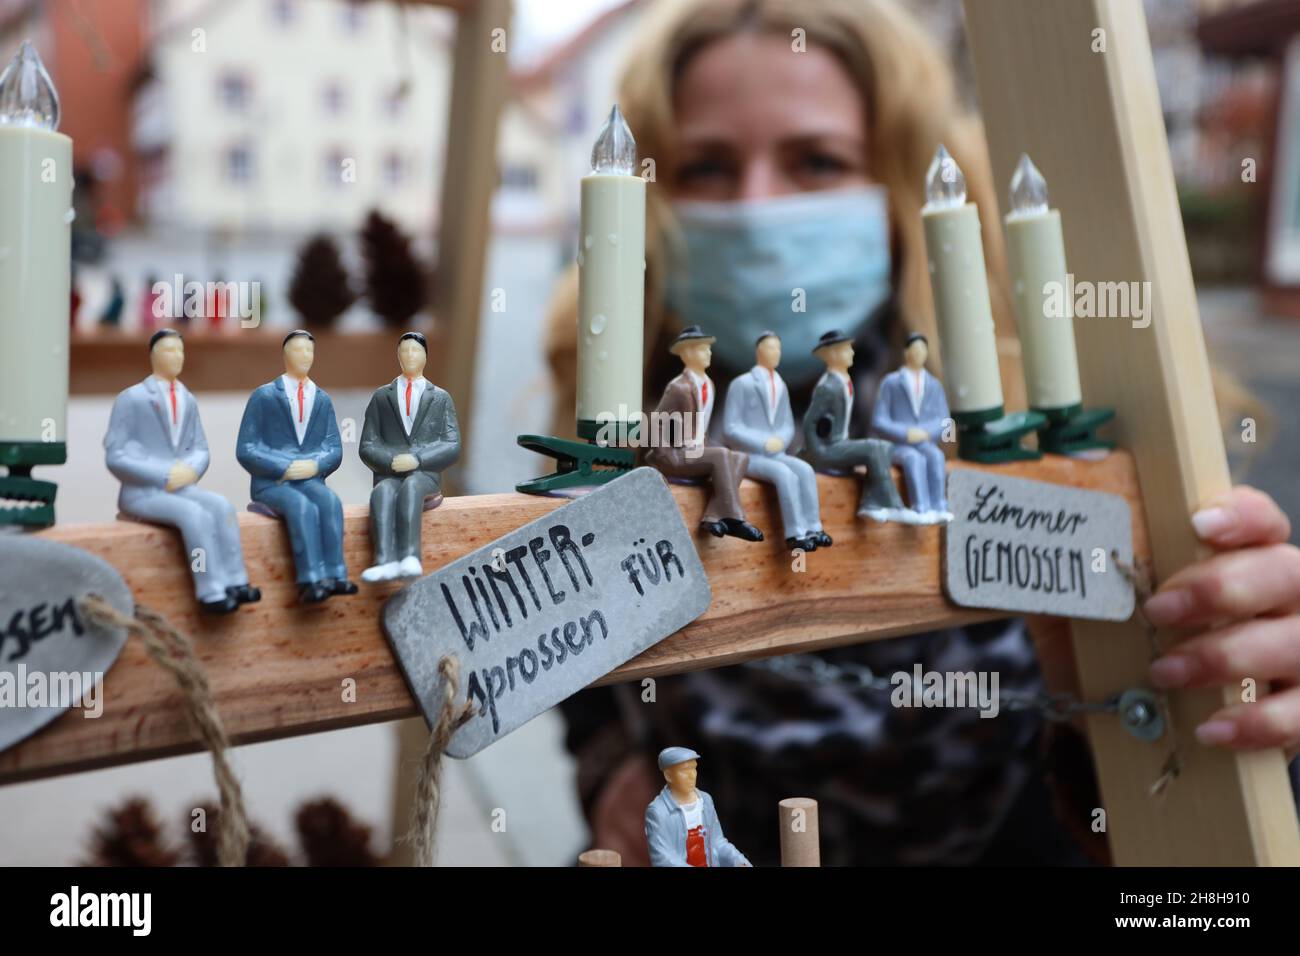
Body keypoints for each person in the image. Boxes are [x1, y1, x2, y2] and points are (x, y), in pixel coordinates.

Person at [546, 0, 1300, 865]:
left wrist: (1239, 703)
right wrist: (612, 770)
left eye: (816, 160)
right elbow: (575, 656)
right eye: (707, 166)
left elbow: (1191, 852)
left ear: (900, 187)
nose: (757, 207)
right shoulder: (626, 408)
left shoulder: (1045, 437)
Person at [104, 329, 260, 614]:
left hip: (182, 487)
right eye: (167, 351)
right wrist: (162, 474)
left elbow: (200, 448)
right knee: (193, 515)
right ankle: (210, 589)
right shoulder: (132, 399)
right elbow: (116, 455)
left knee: (223, 507)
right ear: (152, 356)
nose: (175, 357)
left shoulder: (187, 398)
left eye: (179, 350)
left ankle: (236, 580)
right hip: (142, 492)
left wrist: (192, 471)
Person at [236, 329, 357, 604]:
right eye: (297, 350)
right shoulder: (265, 396)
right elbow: (247, 448)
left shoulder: (322, 399)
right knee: (300, 507)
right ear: (285, 354)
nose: (304, 356)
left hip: (310, 480)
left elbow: (334, 448)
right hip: (273, 484)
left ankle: (336, 574)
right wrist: (285, 466)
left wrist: (315, 466)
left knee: (329, 502)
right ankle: (310, 579)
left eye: (308, 351)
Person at [359, 331, 462, 582]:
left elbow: (451, 444)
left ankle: (410, 556)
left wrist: (418, 459)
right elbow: (368, 444)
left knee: (413, 485)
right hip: (389, 474)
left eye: (415, 350)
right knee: (382, 493)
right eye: (404, 351)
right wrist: (392, 460)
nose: (409, 355)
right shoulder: (382, 397)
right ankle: (383, 560)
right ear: (397, 355)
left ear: (425, 355)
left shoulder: (440, 397)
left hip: (424, 475)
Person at [644, 326, 763, 541]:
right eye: (702, 350)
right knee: (721, 455)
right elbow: (655, 421)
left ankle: (715, 516)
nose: (708, 353)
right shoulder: (678, 387)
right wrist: (665, 452)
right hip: (680, 453)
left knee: (740, 457)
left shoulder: (708, 384)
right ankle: (736, 518)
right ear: (687, 354)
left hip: (698, 449)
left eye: (708, 349)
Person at [722, 331, 829, 551]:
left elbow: (787, 424)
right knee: (784, 475)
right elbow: (731, 428)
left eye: (778, 348)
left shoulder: (781, 385)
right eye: (771, 348)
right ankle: (795, 533)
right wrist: (763, 442)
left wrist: (780, 440)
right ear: (759, 351)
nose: (776, 353)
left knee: (805, 470)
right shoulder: (742, 384)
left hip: (776, 452)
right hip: (749, 455)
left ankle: (814, 527)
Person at [803, 329, 912, 523]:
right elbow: (810, 421)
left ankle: (871, 502)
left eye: (851, 349)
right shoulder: (827, 387)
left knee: (885, 447)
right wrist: (816, 450)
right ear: (832, 355)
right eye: (846, 350)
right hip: (828, 448)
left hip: (840, 442)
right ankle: (892, 504)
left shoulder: (845, 381)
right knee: (875, 447)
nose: (851, 353)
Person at [871, 332, 952, 522]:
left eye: (923, 350)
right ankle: (920, 507)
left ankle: (939, 505)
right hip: (898, 445)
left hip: (924, 441)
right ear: (906, 352)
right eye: (915, 350)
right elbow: (878, 421)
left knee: (936, 456)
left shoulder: (934, 385)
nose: (919, 354)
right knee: (913, 459)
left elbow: (945, 420)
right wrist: (906, 433)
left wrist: (927, 432)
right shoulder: (891, 383)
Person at [645, 747, 751, 867]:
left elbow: (717, 842)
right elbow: (663, 859)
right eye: (685, 770)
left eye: (693, 768)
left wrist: (738, 861)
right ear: (669, 775)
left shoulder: (705, 800)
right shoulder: (658, 812)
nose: (692, 775)